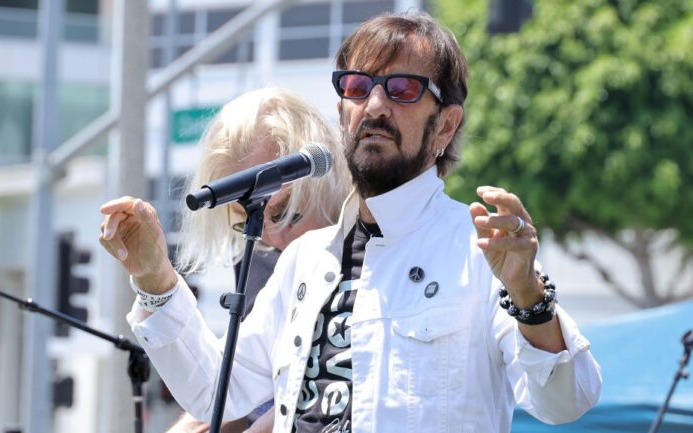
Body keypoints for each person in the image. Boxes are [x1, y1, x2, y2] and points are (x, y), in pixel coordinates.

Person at [108, 11, 602, 433]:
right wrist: (156, 279)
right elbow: (219, 392)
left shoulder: (477, 252)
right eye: (357, 86)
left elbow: (565, 401)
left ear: (445, 127)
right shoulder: (304, 260)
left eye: (404, 89)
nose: (376, 104)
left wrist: (529, 297)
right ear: (342, 111)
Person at [99, 87, 351, 433]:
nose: (272, 238)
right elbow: (230, 385)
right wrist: (154, 278)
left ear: (325, 177)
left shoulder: (369, 240)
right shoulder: (261, 254)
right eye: (248, 218)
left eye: (283, 214)